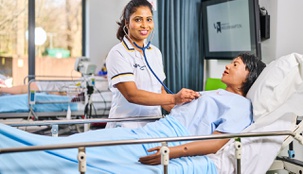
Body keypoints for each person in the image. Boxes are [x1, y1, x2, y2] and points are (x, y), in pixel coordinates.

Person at [0, 53, 266, 174]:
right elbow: (177, 111)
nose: (229, 66)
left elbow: (217, 142)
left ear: (249, 76)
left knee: (78, 152)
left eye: (236, 64)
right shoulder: (212, 93)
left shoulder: (241, 107)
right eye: (231, 62)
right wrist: (178, 100)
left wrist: (170, 152)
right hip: (149, 131)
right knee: (72, 145)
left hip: (163, 142)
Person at [106, 0, 199, 128]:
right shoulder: (118, 53)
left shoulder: (155, 52)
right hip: (125, 127)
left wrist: (186, 113)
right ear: (127, 23)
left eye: (148, 19)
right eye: (138, 20)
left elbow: (160, 92)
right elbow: (131, 94)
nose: (144, 25)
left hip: (152, 128)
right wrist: (174, 98)